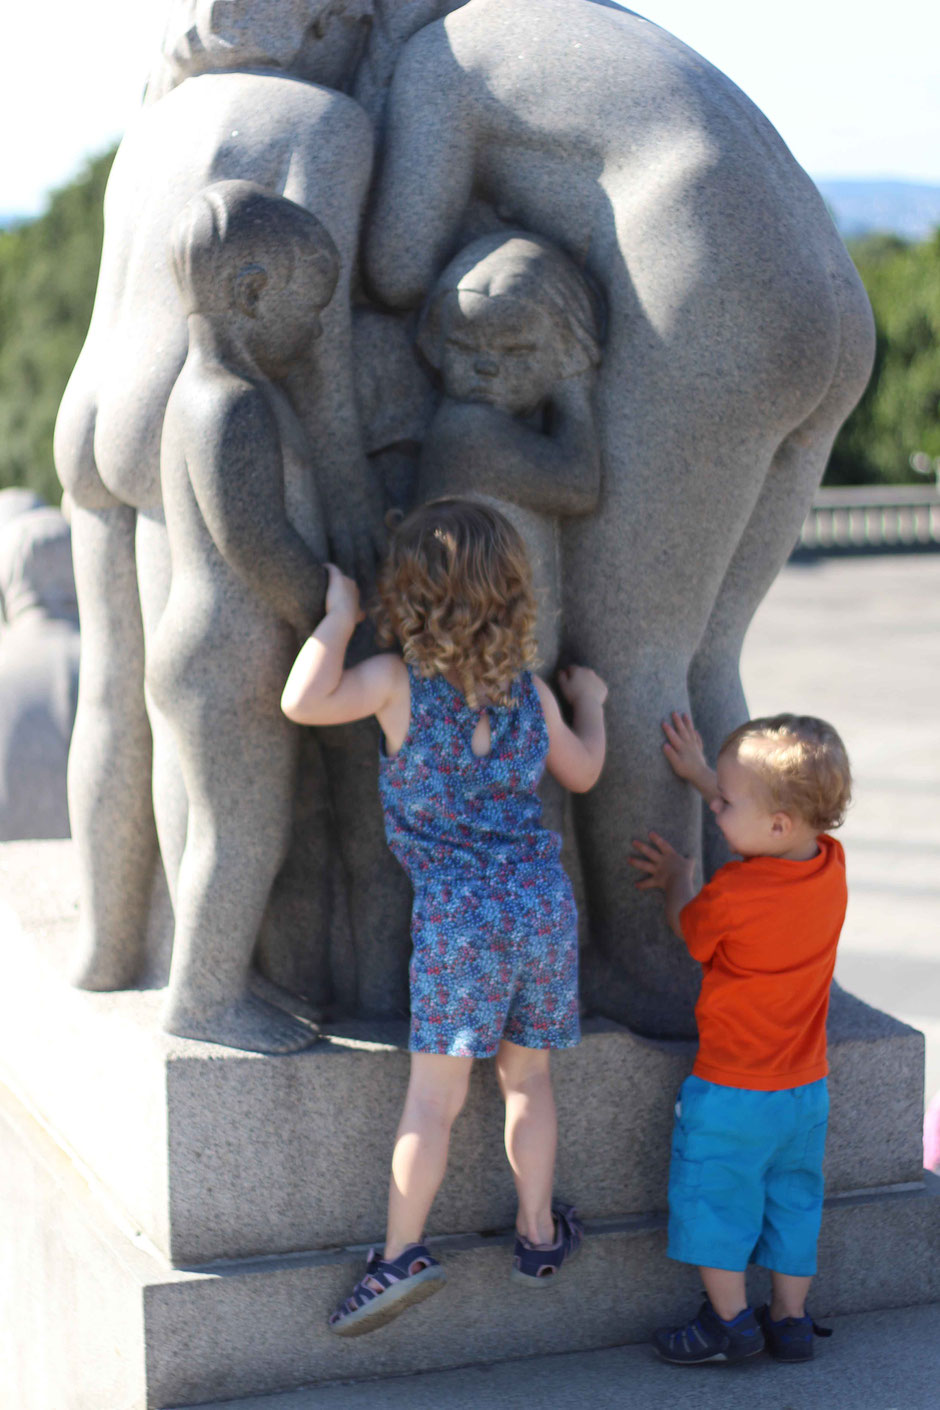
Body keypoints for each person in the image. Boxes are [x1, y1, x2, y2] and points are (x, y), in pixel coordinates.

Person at [281, 498, 608, 1335]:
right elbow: (584, 773)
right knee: (528, 1080)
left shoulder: (395, 682)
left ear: (411, 594)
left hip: (460, 919)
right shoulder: (531, 696)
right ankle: (537, 1235)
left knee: (434, 1102)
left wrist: (340, 617)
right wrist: (593, 701)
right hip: (540, 903)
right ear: (512, 594)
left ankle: (399, 1256)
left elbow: (302, 701)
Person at [146, 181, 338, 1053]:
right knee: (241, 831)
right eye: (310, 304)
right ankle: (205, 1000)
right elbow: (253, 541)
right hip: (229, 654)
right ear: (255, 290)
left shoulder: (212, 392)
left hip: (219, 652)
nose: (316, 327)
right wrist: (333, 607)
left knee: (236, 827)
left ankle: (223, 975)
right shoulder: (229, 402)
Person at [628, 710, 851, 1365]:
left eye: (724, 802)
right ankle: (790, 1321)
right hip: (805, 1091)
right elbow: (772, 824)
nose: (715, 808)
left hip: (733, 1092)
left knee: (714, 1202)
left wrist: (678, 880)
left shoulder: (730, 892)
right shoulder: (830, 866)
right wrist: (704, 775)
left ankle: (730, 1324)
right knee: (793, 1203)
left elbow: (689, 930)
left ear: (776, 823)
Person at [416, 230, 602, 673]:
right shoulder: (467, 430)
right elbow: (578, 486)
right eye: (463, 347)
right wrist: (574, 395)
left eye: (516, 351)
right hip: (484, 669)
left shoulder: (483, 425)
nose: (486, 366)